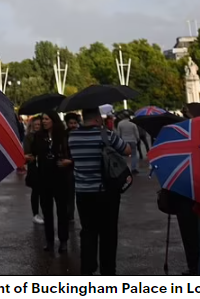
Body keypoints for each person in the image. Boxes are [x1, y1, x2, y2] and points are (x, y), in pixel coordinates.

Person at [68, 107, 131, 275]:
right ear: (97, 119)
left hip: (82, 192)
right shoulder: (105, 135)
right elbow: (127, 150)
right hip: (105, 191)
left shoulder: (72, 137)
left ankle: (87, 268)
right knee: (108, 232)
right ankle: (108, 270)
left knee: (88, 231)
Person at [34, 111, 73, 253]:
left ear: (53, 120)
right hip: (44, 177)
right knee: (47, 211)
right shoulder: (39, 136)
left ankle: (63, 240)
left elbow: (71, 154)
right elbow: (34, 153)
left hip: (60, 177)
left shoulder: (63, 136)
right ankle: (49, 240)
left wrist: (69, 162)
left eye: (46, 119)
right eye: (43, 119)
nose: (44, 122)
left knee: (62, 211)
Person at [23, 116, 44, 224]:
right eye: (35, 125)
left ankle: (43, 212)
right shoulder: (29, 137)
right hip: (34, 167)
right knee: (36, 191)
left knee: (44, 191)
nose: (37, 127)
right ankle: (35, 213)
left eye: (39, 125)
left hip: (44, 167)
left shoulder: (45, 136)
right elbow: (28, 154)